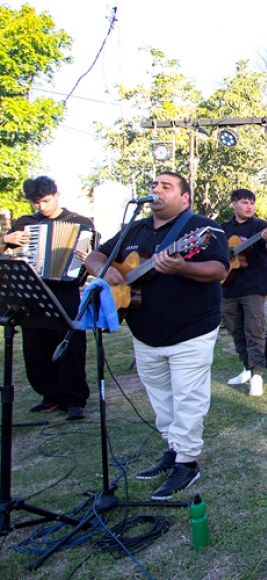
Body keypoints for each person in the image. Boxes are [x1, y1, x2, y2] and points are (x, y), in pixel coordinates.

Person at [84, 171, 229, 501]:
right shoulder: (134, 229)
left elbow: (219, 269)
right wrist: (107, 271)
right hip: (144, 331)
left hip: (192, 329)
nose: (157, 190)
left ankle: (187, 462)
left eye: (167, 186)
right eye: (154, 185)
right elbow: (95, 256)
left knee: (188, 396)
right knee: (161, 398)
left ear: (185, 197)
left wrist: (183, 267)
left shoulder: (203, 228)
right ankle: (174, 448)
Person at [2, 176, 93, 421]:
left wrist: (84, 260)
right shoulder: (24, 223)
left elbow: (87, 262)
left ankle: (74, 399)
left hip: (66, 289)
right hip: (33, 289)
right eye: (36, 203)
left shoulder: (80, 223)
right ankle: (50, 395)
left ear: (56, 195)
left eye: (45, 201)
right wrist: (5, 240)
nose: (41, 207)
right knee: (35, 344)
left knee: (70, 342)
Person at [220, 189, 267, 397]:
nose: (249, 206)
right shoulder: (224, 228)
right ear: (233, 204)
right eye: (244, 202)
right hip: (228, 285)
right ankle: (246, 368)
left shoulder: (260, 226)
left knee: (254, 330)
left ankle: (257, 375)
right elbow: (219, 253)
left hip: (253, 286)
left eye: (252, 203)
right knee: (235, 330)